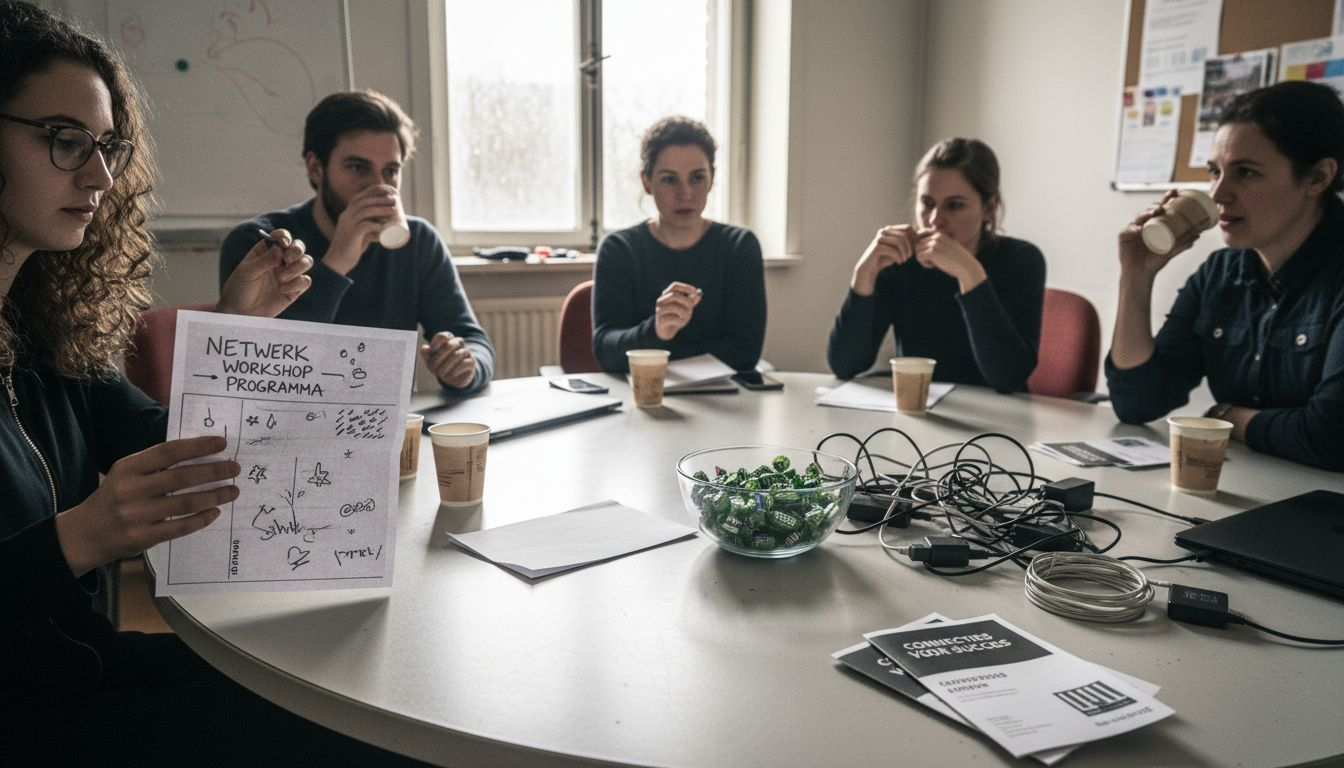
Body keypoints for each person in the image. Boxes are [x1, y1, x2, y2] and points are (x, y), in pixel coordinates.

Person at [0, 3, 424, 763]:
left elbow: (176, 442)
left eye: (108, 147)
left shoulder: (41, 333)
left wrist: (236, 331)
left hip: (79, 667)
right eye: (64, 140)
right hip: (25, 718)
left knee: (376, 686)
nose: (100, 177)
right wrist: (80, 538)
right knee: (365, 732)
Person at [1107, 81, 1344, 471]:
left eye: (1245, 173)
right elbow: (1137, 403)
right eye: (1215, 172)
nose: (1218, 194)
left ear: (1318, 177)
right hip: (1254, 484)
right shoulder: (1219, 273)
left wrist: (1229, 416)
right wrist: (1135, 277)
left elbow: (1331, 436)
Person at [219, 90, 494, 394]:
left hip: (385, 419)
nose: (378, 185)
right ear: (316, 168)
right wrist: (336, 263)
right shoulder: (260, 245)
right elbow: (266, 371)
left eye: (390, 171)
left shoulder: (419, 242)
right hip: (283, 417)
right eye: (357, 167)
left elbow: (472, 340)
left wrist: (465, 368)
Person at [827, 138, 1045, 393]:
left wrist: (970, 274)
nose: (935, 220)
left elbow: (1008, 378)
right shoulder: (902, 261)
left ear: (989, 207)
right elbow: (845, 365)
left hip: (998, 414)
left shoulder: (1021, 260)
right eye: (927, 203)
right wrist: (864, 274)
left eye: (954, 206)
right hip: (921, 407)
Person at [592, 115, 766, 373]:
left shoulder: (739, 247)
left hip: (724, 395)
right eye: (670, 179)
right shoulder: (619, 250)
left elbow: (746, 352)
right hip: (643, 392)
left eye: (697, 178)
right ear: (646, 181)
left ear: (712, 178)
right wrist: (657, 330)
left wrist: (657, 353)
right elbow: (606, 352)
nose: (685, 194)